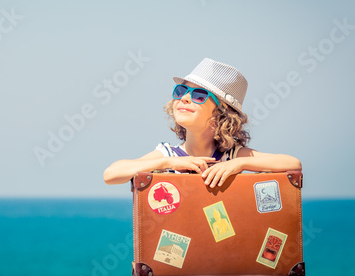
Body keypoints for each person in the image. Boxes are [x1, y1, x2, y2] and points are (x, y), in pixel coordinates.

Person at [103, 58, 301, 188]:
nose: (185, 98)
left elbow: (293, 164)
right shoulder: (167, 154)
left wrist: (240, 164)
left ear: (221, 112)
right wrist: (168, 163)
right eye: (181, 91)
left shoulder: (231, 157)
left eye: (199, 95)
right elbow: (111, 174)